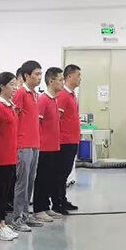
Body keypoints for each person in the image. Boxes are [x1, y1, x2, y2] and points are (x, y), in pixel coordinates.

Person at [10, 60, 43, 231]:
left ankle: (25, 214)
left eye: (40, 74)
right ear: (26, 76)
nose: (39, 77)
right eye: (36, 74)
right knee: (22, 183)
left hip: (34, 143)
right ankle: (17, 218)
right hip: (23, 144)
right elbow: (14, 118)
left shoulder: (35, 94)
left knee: (30, 181)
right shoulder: (20, 93)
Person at [0, 72, 20, 242]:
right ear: (2, 86)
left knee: (5, 193)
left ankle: (2, 223)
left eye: (16, 84)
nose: (15, 88)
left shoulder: (10, 106)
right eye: (12, 85)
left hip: (10, 156)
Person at [33, 67, 64, 222]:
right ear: (51, 81)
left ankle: (45, 206)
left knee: (50, 178)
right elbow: (36, 123)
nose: (63, 83)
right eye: (60, 80)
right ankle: (38, 209)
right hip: (44, 147)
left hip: (54, 146)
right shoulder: (43, 100)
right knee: (42, 179)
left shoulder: (54, 100)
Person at [55, 64, 82, 213]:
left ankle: (63, 199)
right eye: (78, 75)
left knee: (65, 173)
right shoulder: (63, 95)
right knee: (61, 173)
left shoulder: (72, 95)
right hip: (64, 141)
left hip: (72, 140)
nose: (80, 79)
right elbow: (57, 119)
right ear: (69, 77)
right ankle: (58, 202)